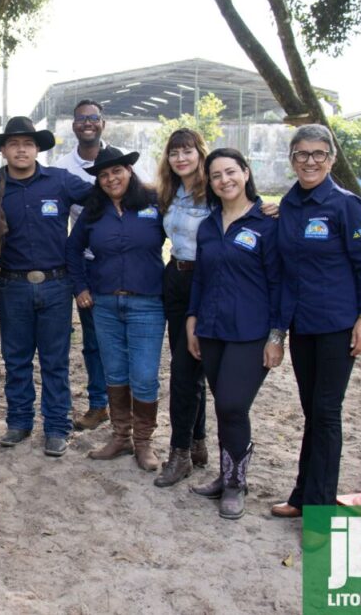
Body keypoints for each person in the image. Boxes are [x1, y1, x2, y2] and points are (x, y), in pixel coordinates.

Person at [270, 124, 361, 519]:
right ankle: (303, 496)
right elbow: (285, 271)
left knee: (326, 412)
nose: (310, 161)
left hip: (337, 325)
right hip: (303, 326)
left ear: (331, 159)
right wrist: (279, 330)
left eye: (319, 154)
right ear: (292, 159)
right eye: (302, 154)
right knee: (311, 412)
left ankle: (320, 511)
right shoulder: (289, 205)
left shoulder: (345, 204)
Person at [185, 149, 283, 519]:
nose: (224, 180)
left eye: (231, 172)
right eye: (215, 175)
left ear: (246, 172)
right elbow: (201, 277)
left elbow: (280, 284)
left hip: (251, 332)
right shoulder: (209, 226)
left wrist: (276, 336)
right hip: (211, 329)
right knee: (222, 404)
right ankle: (224, 477)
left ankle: (237, 484)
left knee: (231, 405)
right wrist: (192, 319)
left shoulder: (268, 223)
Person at [0, 116, 92, 457]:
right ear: (4, 150)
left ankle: (56, 428)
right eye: (14, 143)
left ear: (37, 149)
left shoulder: (60, 181)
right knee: (16, 359)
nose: (22, 149)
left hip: (56, 286)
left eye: (28, 143)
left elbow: (101, 198)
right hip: (13, 285)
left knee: (55, 361)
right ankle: (18, 422)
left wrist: (80, 243)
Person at [66, 147, 166, 471]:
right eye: (104, 175)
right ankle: (120, 436)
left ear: (129, 171)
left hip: (148, 303)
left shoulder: (154, 202)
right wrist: (80, 287)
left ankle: (144, 442)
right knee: (115, 374)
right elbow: (72, 248)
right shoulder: (93, 212)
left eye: (117, 171)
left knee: (145, 376)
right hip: (105, 305)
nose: (111, 179)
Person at [51, 99, 123, 431]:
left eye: (93, 118)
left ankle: (128, 407)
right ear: (74, 126)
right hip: (87, 265)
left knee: (125, 338)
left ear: (102, 123)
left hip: (123, 264)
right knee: (92, 340)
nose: (87, 123)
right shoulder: (62, 167)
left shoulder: (120, 159)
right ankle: (99, 404)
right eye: (81, 119)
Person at [152, 129, 212, 487]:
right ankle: (197, 442)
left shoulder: (215, 193)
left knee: (186, 370)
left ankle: (179, 454)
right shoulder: (168, 193)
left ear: (199, 153)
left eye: (187, 151)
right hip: (175, 278)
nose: (181, 158)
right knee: (187, 363)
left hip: (206, 282)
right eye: (174, 152)